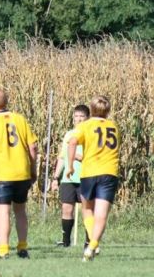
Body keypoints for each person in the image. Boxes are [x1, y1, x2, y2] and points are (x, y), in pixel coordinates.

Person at [0, 89, 38, 259]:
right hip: (21, 172)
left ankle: (3, 250)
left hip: (2, 173)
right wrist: (33, 169)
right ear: (7, 102)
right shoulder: (20, 119)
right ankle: (22, 247)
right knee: (20, 210)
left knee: (3, 213)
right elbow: (32, 146)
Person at [67, 96, 120, 262]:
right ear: (108, 110)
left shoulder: (85, 125)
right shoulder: (114, 127)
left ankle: (94, 244)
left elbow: (72, 142)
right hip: (109, 172)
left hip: (90, 171)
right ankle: (92, 246)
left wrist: (69, 166)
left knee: (87, 209)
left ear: (91, 109)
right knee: (102, 214)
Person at [50, 104, 90, 247]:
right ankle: (65, 241)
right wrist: (55, 177)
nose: (78, 119)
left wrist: (81, 156)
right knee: (67, 208)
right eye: (76, 116)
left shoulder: (90, 134)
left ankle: (89, 241)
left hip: (85, 176)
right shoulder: (69, 134)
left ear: (87, 118)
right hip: (68, 177)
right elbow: (62, 157)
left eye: (82, 116)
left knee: (87, 210)